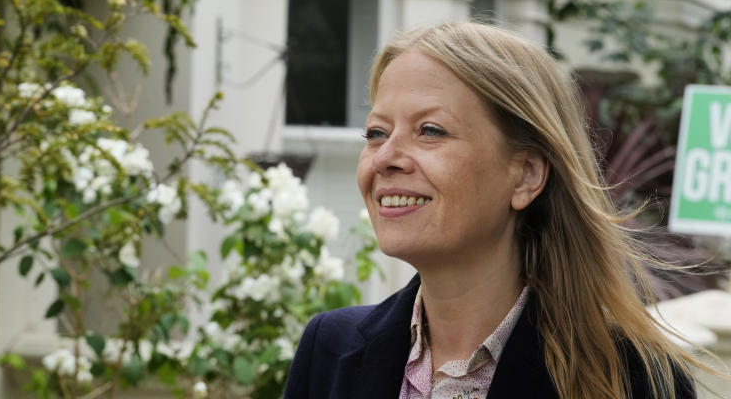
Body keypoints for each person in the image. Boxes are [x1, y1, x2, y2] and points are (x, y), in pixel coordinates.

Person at [283, 21, 700, 399]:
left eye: (430, 131)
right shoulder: (329, 349)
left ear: (525, 176)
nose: (385, 158)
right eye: (377, 132)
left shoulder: (635, 380)